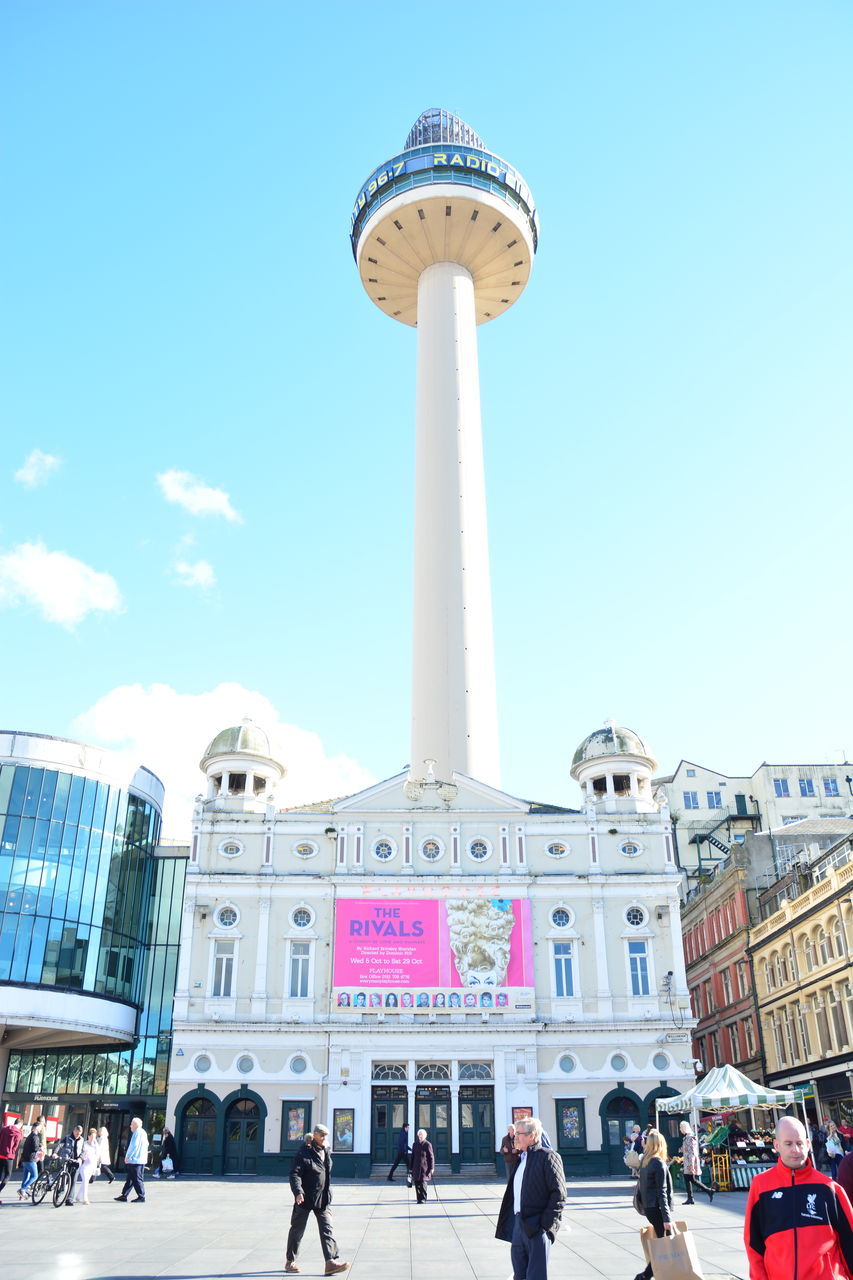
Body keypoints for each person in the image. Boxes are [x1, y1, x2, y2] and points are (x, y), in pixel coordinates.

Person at [745, 1116, 853, 1280]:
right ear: (777, 1145)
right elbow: (753, 1242)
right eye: (788, 1144)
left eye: (800, 1143)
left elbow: (849, 1240)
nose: (795, 1149)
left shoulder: (829, 1188)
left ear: (808, 1145)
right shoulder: (761, 1185)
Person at [495, 1115, 566, 1280]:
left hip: (537, 1226)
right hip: (519, 1225)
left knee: (536, 1276)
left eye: (519, 1133)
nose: (515, 1137)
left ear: (532, 1136)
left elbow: (559, 1193)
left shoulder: (548, 1156)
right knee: (519, 1274)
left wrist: (545, 1225)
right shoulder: (521, 1159)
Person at [285, 1123, 349, 1275]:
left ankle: (330, 1262)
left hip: (323, 1198)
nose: (325, 1138)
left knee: (327, 1229)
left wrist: (327, 1150)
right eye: (322, 1135)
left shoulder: (325, 1150)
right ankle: (290, 1261)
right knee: (297, 1230)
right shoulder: (304, 1152)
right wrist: (298, 1192)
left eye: (326, 1135)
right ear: (315, 1136)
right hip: (305, 1198)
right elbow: (294, 1173)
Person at [633, 1128, 675, 1280]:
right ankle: (645, 1275)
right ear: (661, 1144)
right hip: (657, 1208)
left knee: (663, 1243)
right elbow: (662, 1192)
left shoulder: (645, 1160)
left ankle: (650, 1274)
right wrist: (667, 1218)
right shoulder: (658, 1163)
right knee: (664, 1245)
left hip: (649, 1207)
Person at [679, 1120, 714, 1204]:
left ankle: (693, 1197)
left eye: (681, 1127)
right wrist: (682, 1149)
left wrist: (691, 1164)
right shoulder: (688, 1136)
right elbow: (689, 1149)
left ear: (684, 1128)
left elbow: (692, 1151)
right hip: (688, 1161)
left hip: (689, 1162)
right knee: (690, 1179)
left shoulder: (690, 1137)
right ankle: (706, 1191)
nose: (680, 1129)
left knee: (689, 1178)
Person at [114, 1117, 148, 1203]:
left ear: (136, 1125)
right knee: (130, 1178)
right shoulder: (143, 1132)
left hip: (136, 1160)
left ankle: (141, 1196)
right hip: (139, 1159)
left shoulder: (137, 1132)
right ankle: (124, 1195)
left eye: (132, 1124)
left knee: (136, 1178)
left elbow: (134, 1145)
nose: (130, 1126)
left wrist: (128, 1156)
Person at [56, 1124, 85, 1206]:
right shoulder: (67, 1137)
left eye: (79, 1134)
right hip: (67, 1161)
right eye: (77, 1133)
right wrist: (55, 1153)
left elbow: (83, 1151)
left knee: (73, 1181)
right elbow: (60, 1145)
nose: (78, 1135)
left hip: (76, 1162)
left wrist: (80, 1158)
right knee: (63, 1180)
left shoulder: (82, 1140)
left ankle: (69, 1199)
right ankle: (58, 1195)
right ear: (74, 1131)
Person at [18, 1121, 43, 1200]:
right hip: (31, 1160)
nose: (41, 1129)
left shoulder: (29, 1136)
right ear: (37, 1127)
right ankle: (23, 1189)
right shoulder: (35, 1137)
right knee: (35, 1176)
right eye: (40, 1127)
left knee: (26, 1177)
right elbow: (35, 1148)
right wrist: (40, 1148)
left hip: (25, 1160)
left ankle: (22, 1195)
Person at [0, 1118, 22, 1204]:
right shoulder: (18, 1132)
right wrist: (12, 1153)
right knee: (7, 1175)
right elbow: (16, 1145)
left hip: (0, 1153)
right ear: (20, 1124)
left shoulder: (4, 1129)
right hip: (8, 1156)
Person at [74, 1128, 100, 1204]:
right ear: (88, 1136)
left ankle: (78, 1197)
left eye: (95, 1137)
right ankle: (85, 1199)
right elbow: (82, 1153)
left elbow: (98, 1155)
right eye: (92, 1137)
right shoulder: (84, 1144)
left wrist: (96, 1145)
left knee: (85, 1182)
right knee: (85, 1181)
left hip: (91, 1166)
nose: (93, 1139)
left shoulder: (95, 1146)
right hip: (84, 1166)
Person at [410, 1128, 434, 1204]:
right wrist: (410, 1168)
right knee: (417, 1183)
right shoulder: (415, 1144)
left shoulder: (428, 1144)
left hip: (425, 1167)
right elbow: (413, 1156)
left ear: (425, 1136)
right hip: (416, 1167)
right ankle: (418, 1199)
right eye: (419, 1134)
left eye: (422, 1135)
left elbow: (431, 1157)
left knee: (423, 1183)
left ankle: (423, 1198)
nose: (420, 1136)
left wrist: (432, 1168)